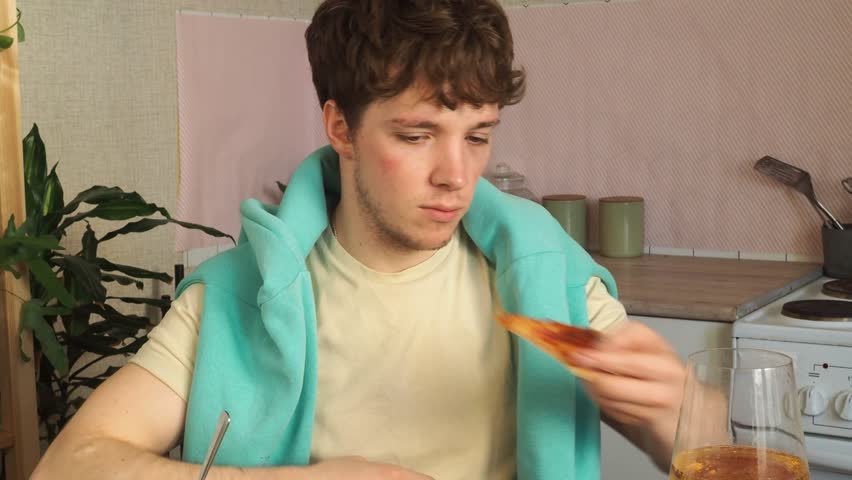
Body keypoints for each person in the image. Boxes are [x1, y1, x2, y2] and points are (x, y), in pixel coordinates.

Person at [33, 1, 685, 479]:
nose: (456, 176)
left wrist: (677, 405)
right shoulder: (242, 294)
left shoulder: (547, 277)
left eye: (479, 136)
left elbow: (707, 442)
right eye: (416, 135)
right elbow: (70, 465)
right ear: (340, 127)